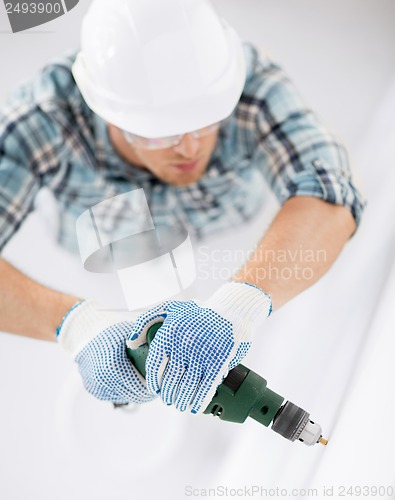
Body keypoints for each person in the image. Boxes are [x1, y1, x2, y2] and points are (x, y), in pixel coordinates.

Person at [0, 0, 364, 414]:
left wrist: (239, 304)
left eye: (206, 122)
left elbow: (332, 191)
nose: (190, 148)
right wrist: (74, 324)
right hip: (114, 249)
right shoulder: (41, 118)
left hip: (231, 240)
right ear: (105, 111)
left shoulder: (240, 80)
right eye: (160, 134)